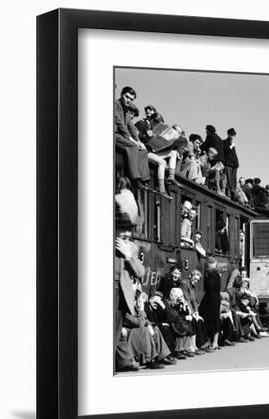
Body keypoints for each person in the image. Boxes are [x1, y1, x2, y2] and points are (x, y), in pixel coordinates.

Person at [114, 213, 145, 371]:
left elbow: (140, 272)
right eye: (123, 229)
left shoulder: (131, 247)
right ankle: (124, 361)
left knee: (116, 327)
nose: (127, 234)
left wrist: (128, 256)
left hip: (121, 293)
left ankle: (123, 362)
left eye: (129, 230)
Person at [113, 86, 150, 189]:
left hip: (122, 135)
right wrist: (130, 138)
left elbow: (131, 126)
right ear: (121, 95)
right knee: (133, 146)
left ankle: (144, 178)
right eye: (127, 97)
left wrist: (139, 141)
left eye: (131, 99)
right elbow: (119, 123)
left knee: (142, 149)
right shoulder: (114, 104)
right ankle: (135, 178)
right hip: (115, 135)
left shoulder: (126, 109)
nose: (128, 100)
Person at [179, 270, 210, 352]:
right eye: (195, 279)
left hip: (191, 309)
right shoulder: (184, 284)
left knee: (200, 320)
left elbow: (194, 301)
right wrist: (192, 314)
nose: (196, 281)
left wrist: (196, 313)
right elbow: (187, 299)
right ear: (191, 276)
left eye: (197, 280)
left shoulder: (193, 286)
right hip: (184, 309)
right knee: (195, 321)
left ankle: (203, 343)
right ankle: (197, 344)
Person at [199, 257, 222, 350]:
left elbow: (209, 287)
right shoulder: (217, 274)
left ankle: (210, 341)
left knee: (209, 320)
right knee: (215, 320)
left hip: (211, 300)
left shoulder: (212, 274)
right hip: (215, 299)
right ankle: (215, 342)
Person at [223, 128, 239, 200]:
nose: (233, 136)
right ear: (228, 134)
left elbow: (234, 154)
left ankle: (233, 196)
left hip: (234, 165)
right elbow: (226, 151)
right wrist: (231, 146)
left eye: (233, 135)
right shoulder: (224, 142)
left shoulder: (232, 144)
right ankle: (229, 195)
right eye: (232, 135)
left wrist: (237, 164)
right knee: (228, 180)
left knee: (233, 181)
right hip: (228, 164)